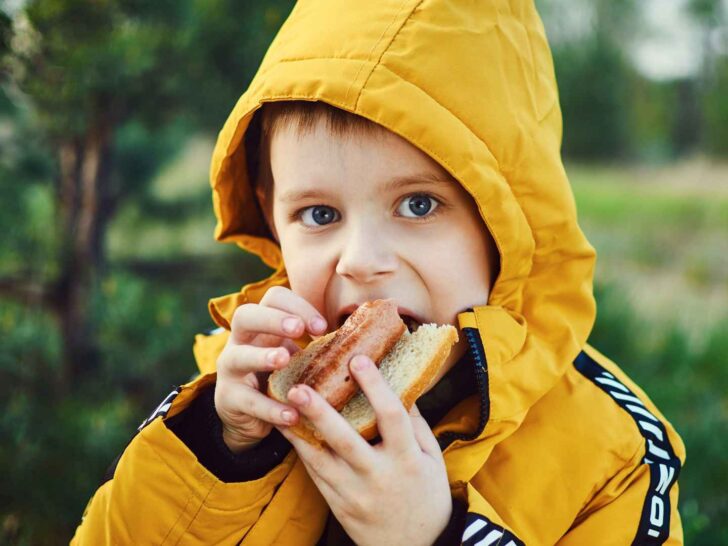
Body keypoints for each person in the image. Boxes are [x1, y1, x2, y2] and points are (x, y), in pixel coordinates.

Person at [72, 1, 685, 544]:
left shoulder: (613, 456)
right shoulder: (241, 395)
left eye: (419, 204)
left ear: (510, 226)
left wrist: (433, 538)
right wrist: (222, 450)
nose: (362, 259)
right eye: (318, 213)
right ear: (272, 212)